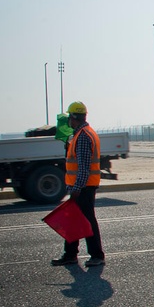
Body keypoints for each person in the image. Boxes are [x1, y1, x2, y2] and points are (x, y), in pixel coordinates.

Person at [51, 101, 106, 268]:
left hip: (84, 187)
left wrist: (77, 188)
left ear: (74, 118)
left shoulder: (82, 136)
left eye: (69, 117)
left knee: (87, 221)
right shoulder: (81, 134)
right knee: (73, 220)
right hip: (82, 186)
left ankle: (97, 255)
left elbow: (84, 166)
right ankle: (70, 254)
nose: (68, 120)